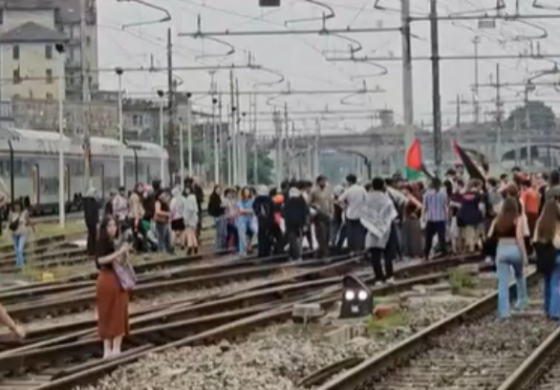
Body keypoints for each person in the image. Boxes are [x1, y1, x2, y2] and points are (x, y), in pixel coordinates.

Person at [95, 215, 131, 358]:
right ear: (104, 228)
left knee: (115, 312)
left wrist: (125, 253)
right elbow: (100, 260)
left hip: (115, 278)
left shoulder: (116, 242)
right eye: (109, 226)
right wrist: (119, 252)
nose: (113, 228)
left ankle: (114, 348)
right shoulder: (101, 243)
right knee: (110, 312)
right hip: (108, 278)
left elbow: (122, 262)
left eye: (114, 225)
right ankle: (109, 349)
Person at [488, 197, 528, 319]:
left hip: (501, 251)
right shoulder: (518, 219)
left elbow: (489, 235)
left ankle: (504, 312)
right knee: (520, 275)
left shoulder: (497, 220)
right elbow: (520, 238)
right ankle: (522, 300)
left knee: (503, 283)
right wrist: (524, 256)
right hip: (515, 250)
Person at [362, 177, 399, 284]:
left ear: (372, 186)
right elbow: (392, 215)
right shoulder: (386, 199)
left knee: (375, 255)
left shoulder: (367, 198)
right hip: (386, 228)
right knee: (388, 254)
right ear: (383, 185)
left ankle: (378, 277)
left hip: (372, 228)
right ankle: (389, 276)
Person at [533, 199, 560, 320]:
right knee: (555, 283)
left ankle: (547, 309)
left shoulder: (540, 222)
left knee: (547, 283)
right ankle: (555, 311)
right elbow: (557, 243)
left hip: (543, 257)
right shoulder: (557, 224)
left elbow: (534, 240)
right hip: (556, 256)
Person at [338, 174, 367, 254]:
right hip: (360, 214)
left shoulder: (348, 190)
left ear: (349, 181)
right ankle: (360, 249)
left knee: (350, 233)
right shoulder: (362, 189)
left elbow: (339, 200)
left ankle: (352, 250)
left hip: (350, 214)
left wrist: (345, 206)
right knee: (360, 233)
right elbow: (367, 200)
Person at [422, 177, 448, 260]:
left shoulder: (427, 194)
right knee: (441, 237)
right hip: (439, 219)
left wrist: (422, 217)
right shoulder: (443, 193)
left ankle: (426, 254)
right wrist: (446, 217)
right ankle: (444, 253)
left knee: (429, 238)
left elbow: (424, 207)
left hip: (432, 219)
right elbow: (445, 206)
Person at [309, 175, 333, 258]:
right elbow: (309, 203)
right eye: (322, 181)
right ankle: (325, 253)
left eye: (324, 181)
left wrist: (332, 212)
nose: (323, 183)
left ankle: (319, 252)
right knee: (321, 234)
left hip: (328, 215)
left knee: (327, 235)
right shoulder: (314, 191)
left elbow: (331, 202)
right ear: (318, 182)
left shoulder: (328, 190)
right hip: (319, 215)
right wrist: (314, 206)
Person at [8, 199, 34, 267]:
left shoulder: (24, 212)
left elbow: (28, 220)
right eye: (15, 206)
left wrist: (32, 227)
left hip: (23, 232)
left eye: (18, 205)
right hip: (14, 233)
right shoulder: (11, 213)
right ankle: (18, 263)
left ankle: (21, 265)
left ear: (20, 206)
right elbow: (10, 223)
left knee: (20, 249)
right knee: (17, 250)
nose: (17, 207)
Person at [253, 185, 274, 258]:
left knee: (261, 236)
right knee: (268, 236)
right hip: (268, 220)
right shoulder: (269, 199)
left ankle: (261, 252)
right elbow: (272, 209)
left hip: (260, 221)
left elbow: (255, 209)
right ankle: (267, 251)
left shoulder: (257, 199)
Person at [237, 187, 256, 255]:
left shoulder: (252, 200)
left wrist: (246, 210)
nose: (247, 193)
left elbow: (254, 210)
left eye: (248, 191)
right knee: (242, 235)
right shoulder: (239, 201)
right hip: (242, 220)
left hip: (251, 219)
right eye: (245, 191)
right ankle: (242, 251)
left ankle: (250, 247)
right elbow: (241, 210)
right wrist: (249, 210)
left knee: (255, 231)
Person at [208, 185, 226, 251]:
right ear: (215, 190)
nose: (219, 191)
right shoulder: (213, 197)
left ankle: (221, 245)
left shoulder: (220, 197)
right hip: (217, 215)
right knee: (219, 232)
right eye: (218, 189)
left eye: (220, 189)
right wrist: (221, 206)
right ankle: (219, 246)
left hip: (221, 215)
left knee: (222, 231)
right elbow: (213, 207)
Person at [183, 184, 200, 255]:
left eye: (187, 189)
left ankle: (190, 246)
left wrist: (186, 219)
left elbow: (190, 209)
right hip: (194, 217)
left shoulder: (189, 198)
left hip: (190, 218)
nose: (186, 191)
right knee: (193, 233)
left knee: (189, 233)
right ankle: (195, 245)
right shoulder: (194, 197)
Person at [83, 187, 99, 257]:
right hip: (91, 222)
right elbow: (90, 213)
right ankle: (91, 250)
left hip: (92, 221)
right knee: (92, 235)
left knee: (92, 235)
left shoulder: (91, 201)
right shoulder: (90, 201)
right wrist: (91, 221)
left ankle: (92, 249)